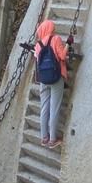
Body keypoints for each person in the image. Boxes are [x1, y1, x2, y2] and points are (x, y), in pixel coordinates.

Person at [33, 19, 71, 149]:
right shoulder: (56, 39)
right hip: (55, 78)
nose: (54, 29)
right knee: (54, 109)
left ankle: (44, 137)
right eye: (53, 28)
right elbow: (62, 56)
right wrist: (68, 44)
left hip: (43, 79)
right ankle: (53, 139)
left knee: (44, 108)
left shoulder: (38, 44)